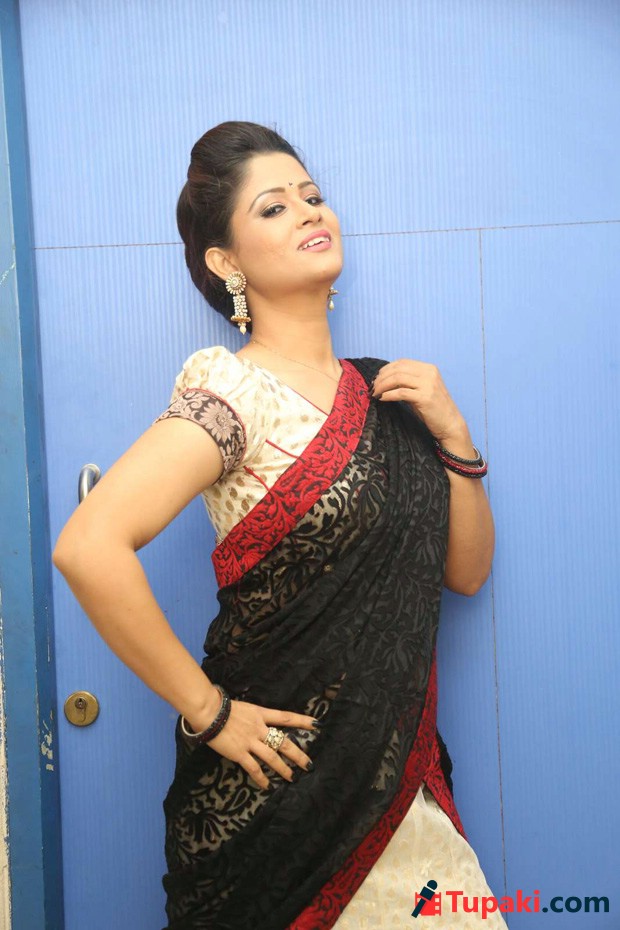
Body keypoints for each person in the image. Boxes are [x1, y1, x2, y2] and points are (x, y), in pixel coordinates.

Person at [52, 121, 506, 930]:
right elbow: (89, 545)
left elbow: (465, 574)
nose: (307, 211)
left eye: (313, 195)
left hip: (393, 785)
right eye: (273, 207)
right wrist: (210, 712)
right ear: (226, 263)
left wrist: (456, 439)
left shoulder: (389, 394)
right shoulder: (236, 394)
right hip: (273, 800)